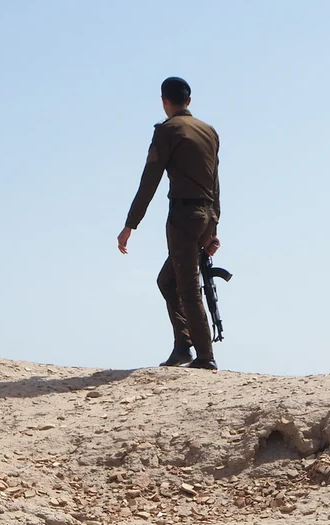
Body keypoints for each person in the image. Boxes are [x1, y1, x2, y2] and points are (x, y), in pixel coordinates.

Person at [117, 77, 222, 370]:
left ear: (165, 102)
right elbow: (215, 183)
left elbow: (149, 180)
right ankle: (182, 346)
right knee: (168, 280)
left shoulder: (168, 131)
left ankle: (205, 356)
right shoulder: (209, 131)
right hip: (204, 215)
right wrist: (213, 228)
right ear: (189, 100)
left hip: (183, 217)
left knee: (188, 286)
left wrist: (130, 225)